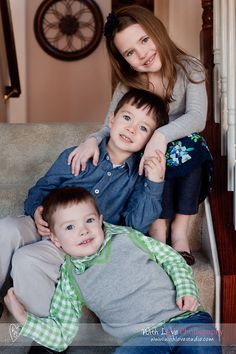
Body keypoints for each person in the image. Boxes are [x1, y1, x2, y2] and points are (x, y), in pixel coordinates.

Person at [0, 88, 167, 319]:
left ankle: (51, 336)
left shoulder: (138, 179)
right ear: (112, 120)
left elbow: (135, 224)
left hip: (76, 245)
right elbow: (42, 188)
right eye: (127, 118)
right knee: (6, 228)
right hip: (45, 226)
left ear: (150, 140)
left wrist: (155, 182)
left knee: (26, 260)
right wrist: (37, 210)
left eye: (143, 128)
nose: (131, 128)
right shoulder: (78, 154)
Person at [68, 5, 213, 266]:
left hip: (180, 153)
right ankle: (158, 230)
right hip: (146, 157)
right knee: (155, 155)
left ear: (157, 32)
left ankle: (179, 232)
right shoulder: (128, 84)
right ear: (124, 60)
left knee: (192, 145)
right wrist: (91, 139)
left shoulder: (190, 68)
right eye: (130, 53)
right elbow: (108, 125)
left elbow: (197, 118)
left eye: (144, 40)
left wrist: (160, 135)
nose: (142, 54)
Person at [4, 186, 222, 354]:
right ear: (55, 240)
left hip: (186, 321)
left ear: (100, 221)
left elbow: (171, 258)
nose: (83, 231)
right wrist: (24, 318)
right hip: (141, 339)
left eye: (89, 220)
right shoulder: (71, 280)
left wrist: (186, 289)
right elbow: (62, 335)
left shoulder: (127, 237)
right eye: (70, 227)